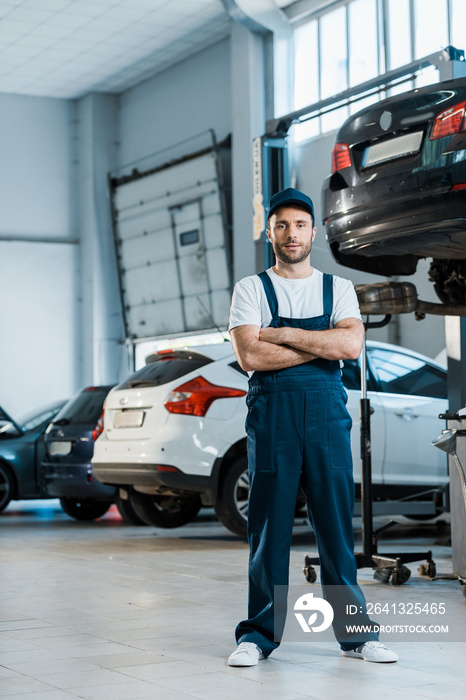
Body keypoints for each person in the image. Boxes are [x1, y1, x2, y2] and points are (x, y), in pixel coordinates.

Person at [227, 187, 397, 666]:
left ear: (313, 231)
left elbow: (349, 348)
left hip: (325, 415)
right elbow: (250, 355)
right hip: (273, 417)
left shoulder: (337, 287)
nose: (291, 233)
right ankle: (258, 636)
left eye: (300, 225)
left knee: (335, 526)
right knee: (269, 529)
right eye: (281, 225)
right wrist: (320, 342)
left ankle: (357, 635)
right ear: (270, 232)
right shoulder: (251, 288)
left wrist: (280, 333)